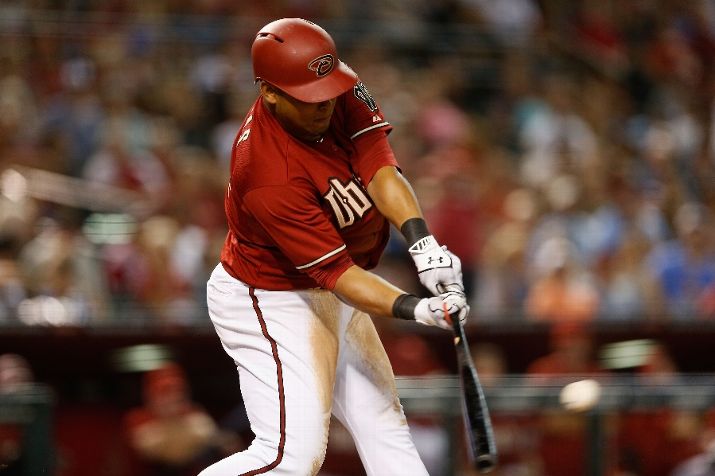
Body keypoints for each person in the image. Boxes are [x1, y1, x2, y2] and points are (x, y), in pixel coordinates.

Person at [200, 18, 469, 476]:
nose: (324, 103)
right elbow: (339, 275)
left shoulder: (333, 85)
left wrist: (424, 246)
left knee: (384, 427)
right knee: (290, 458)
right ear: (269, 92)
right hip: (271, 298)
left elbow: (380, 169)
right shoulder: (264, 170)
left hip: (332, 288)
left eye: (328, 89)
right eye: (309, 96)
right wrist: (418, 309)